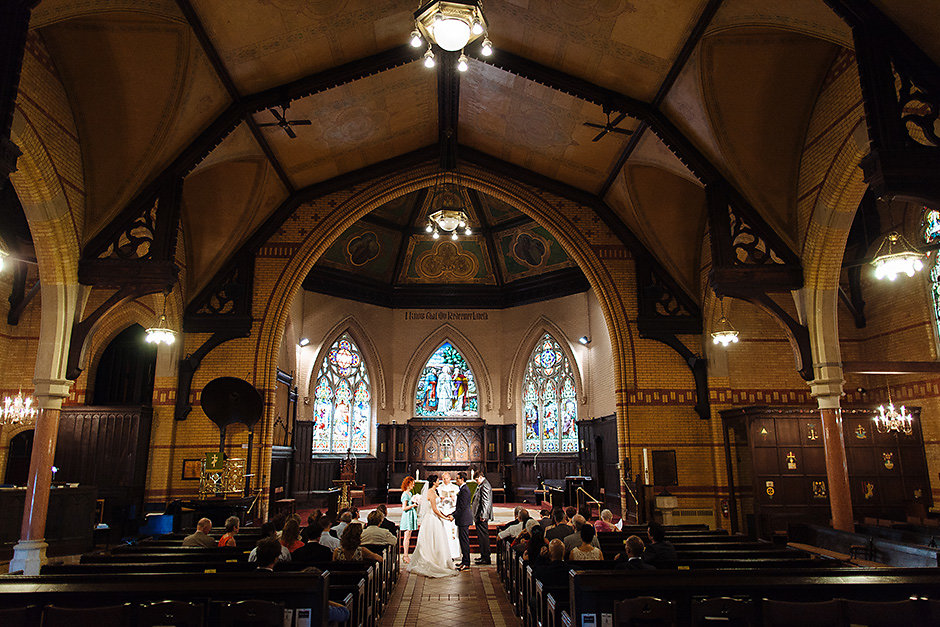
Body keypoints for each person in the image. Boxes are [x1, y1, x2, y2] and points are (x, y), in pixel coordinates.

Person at [408, 474, 457, 577]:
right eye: (438, 481)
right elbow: (434, 509)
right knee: (432, 540)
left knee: (435, 541)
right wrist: (445, 518)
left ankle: (437, 559)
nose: (439, 482)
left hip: (433, 518)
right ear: (434, 482)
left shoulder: (434, 491)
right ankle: (433, 560)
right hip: (432, 519)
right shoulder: (431, 492)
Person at [472, 469, 493, 565]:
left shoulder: (485, 486)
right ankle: (483, 556)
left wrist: (484, 515)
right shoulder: (482, 485)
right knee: (481, 537)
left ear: (481, 477)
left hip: (482, 516)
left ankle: (486, 558)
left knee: (483, 537)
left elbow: (486, 501)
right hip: (479, 515)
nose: (476, 482)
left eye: (477, 480)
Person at [453, 471, 473, 571]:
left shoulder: (464, 490)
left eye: (457, 478)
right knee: (462, 540)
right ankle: (464, 560)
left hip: (464, 519)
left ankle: (466, 562)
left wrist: (453, 516)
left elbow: (462, 507)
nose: (456, 480)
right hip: (462, 518)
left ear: (462, 479)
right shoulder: (463, 489)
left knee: (464, 541)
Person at [400, 476, 418, 563]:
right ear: (408, 484)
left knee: (409, 535)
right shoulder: (405, 494)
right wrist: (412, 506)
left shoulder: (410, 494)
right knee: (407, 536)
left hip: (411, 515)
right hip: (407, 516)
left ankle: (406, 555)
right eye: (412, 484)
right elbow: (404, 508)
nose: (413, 486)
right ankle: (405, 556)